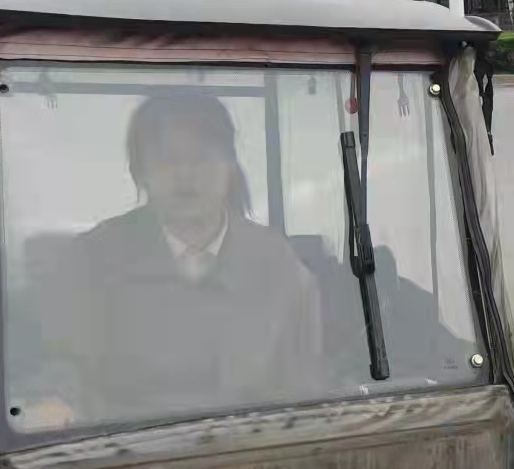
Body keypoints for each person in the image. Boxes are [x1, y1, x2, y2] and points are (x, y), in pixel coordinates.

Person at [34, 93, 325, 424]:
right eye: (167, 159)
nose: (185, 174)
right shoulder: (93, 260)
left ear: (230, 166)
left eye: (202, 157)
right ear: (140, 172)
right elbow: (64, 371)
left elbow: (304, 386)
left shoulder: (277, 263)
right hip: (127, 447)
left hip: (251, 447)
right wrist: (55, 403)